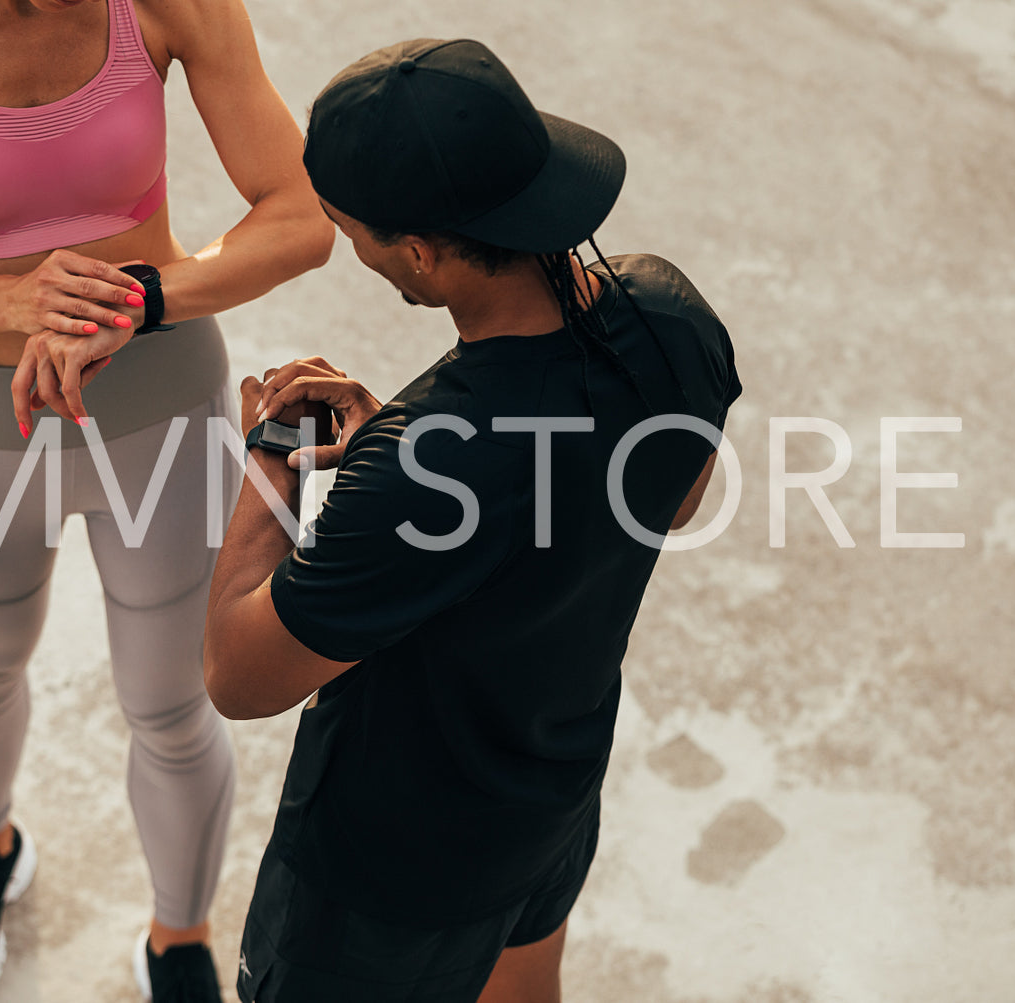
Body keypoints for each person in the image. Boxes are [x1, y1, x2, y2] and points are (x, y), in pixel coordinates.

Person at [0, 0, 332, 999]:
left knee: (171, 705)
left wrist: (141, 297)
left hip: (163, 414)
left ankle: (179, 937)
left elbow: (300, 217)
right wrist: (7, 301)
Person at [203, 38, 742, 1003]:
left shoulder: (429, 463)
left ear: (417, 251)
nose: (354, 250)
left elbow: (237, 675)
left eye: (352, 231)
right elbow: (671, 493)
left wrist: (272, 457)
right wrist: (408, 473)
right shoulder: (669, 312)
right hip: (548, 793)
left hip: (387, 876)